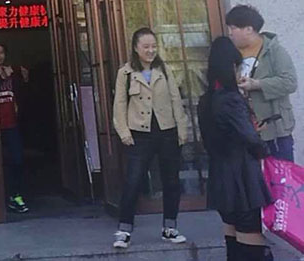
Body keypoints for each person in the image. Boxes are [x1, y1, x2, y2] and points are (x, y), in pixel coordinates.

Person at [112, 27, 189, 250]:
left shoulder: (164, 69)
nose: (150, 51)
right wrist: (124, 132)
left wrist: (182, 129)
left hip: (167, 131)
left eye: (154, 46)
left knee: (171, 181)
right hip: (139, 133)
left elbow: (175, 99)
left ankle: (170, 227)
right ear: (136, 48)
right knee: (133, 181)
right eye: (146, 46)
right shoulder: (125, 73)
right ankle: (124, 230)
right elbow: (119, 104)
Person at [198, 35, 273, 261]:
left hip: (221, 177)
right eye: (239, 67)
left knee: (233, 244)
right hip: (242, 178)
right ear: (231, 65)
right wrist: (263, 149)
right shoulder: (230, 98)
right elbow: (249, 138)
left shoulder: (205, 100)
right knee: (253, 247)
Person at [226, 4, 298, 163]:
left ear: (249, 29)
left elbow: (290, 82)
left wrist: (257, 84)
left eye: (233, 28)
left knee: (280, 175)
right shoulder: (232, 54)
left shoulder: (274, 51)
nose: (229, 33)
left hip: (275, 131)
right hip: (246, 130)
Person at [0, 42, 29, 214]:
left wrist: (23, 78)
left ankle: (16, 195)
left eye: (1, 52)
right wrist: (0, 77)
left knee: (17, 160)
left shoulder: (11, 74)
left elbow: (22, 94)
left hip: (12, 124)